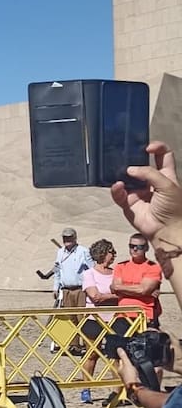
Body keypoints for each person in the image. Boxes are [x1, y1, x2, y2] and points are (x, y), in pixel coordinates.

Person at [108, 140, 182, 408]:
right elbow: (120, 287)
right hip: (125, 316)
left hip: (146, 316)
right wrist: (167, 230)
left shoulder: (151, 267)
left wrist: (135, 387)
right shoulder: (124, 265)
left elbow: (143, 289)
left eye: (139, 246)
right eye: (133, 246)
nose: (135, 249)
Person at [80, 238, 120, 403]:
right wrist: (115, 296)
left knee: (115, 355)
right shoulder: (89, 274)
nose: (114, 254)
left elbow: (120, 293)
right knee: (92, 355)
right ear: (104, 253)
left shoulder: (116, 273)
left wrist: (108, 297)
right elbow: (95, 296)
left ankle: (117, 390)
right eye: (111, 251)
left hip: (114, 319)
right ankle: (86, 388)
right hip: (93, 319)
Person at [53, 227, 94, 354]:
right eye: (65, 238)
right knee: (69, 318)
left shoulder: (83, 251)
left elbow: (91, 268)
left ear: (75, 238)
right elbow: (57, 271)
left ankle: (87, 344)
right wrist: (55, 287)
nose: (67, 240)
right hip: (66, 290)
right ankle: (73, 345)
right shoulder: (60, 252)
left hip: (80, 289)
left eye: (70, 237)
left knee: (82, 317)